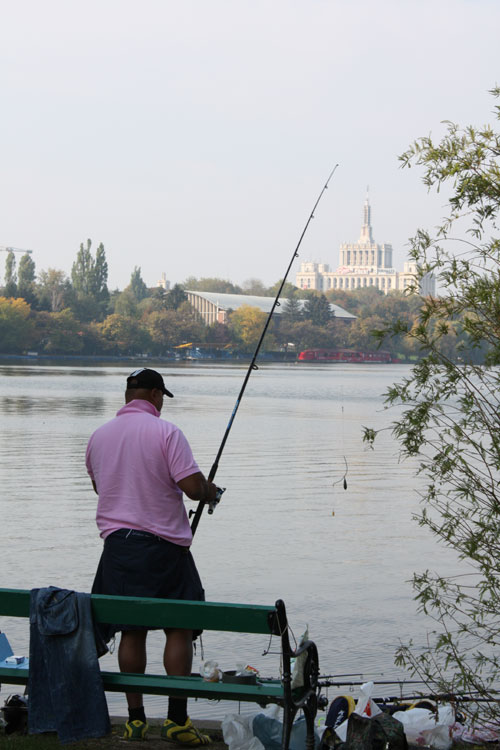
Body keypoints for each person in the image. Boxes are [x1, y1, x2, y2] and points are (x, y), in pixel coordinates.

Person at [86, 367, 218, 745]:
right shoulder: (166, 432)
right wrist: (211, 492)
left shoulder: (98, 437)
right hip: (163, 548)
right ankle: (177, 720)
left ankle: (136, 719)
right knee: (179, 626)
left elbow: (102, 487)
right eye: (161, 397)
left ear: (129, 396)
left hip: (118, 548)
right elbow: (192, 488)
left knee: (132, 627)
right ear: (157, 395)